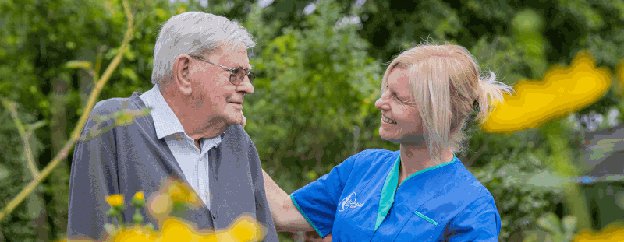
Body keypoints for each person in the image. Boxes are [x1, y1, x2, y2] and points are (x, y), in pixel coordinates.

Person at [263, 44, 510, 241]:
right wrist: (230, 134)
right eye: (386, 91)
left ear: (437, 114)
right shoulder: (363, 167)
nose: (380, 103)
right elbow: (284, 213)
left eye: (398, 98)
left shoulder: (471, 207)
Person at [67, 12, 278, 241]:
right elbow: (88, 231)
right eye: (235, 74)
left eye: (247, 75)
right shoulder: (115, 125)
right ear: (184, 71)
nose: (248, 87)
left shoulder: (238, 142)